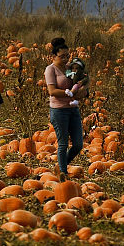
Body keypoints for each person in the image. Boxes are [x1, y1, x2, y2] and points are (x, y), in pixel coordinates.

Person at [45, 37, 89, 182]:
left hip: (73, 109)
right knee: (63, 144)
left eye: (67, 56)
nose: (65, 59)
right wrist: (68, 93)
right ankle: (63, 174)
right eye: (62, 56)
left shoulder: (71, 67)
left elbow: (82, 81)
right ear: (54, 56)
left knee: (78, 144)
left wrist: (84, 91)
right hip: (59, 111)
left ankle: (61, 166)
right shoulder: (50, 69)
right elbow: (52, 91)